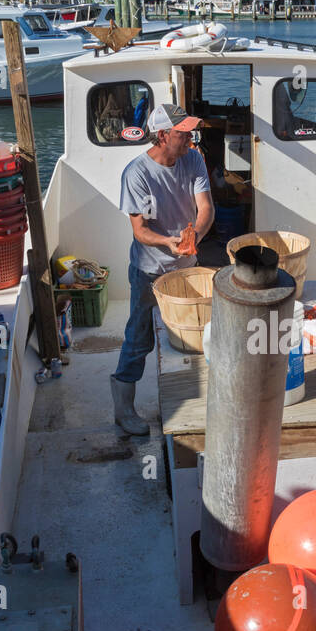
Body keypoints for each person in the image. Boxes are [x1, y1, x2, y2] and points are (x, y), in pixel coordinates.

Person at [111, 103, 214, 434]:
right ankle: (124, 410)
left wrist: (192, 237)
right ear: (162, 135)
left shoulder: (194, 158)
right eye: (182, 133)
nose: (189, 138)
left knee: (196, 335)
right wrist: (170, 243)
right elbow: (139, 231)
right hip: (149, 269)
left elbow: (206, 207)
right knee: (139, 337)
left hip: (187, 264)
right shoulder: (135, 173)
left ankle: (198, 400)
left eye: (189, 131)